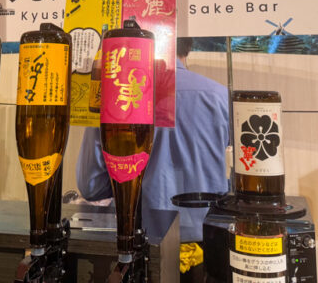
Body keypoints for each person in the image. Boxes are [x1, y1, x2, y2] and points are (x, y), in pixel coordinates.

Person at [76, 37, 229, 280]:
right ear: (188, 47)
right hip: (210, 246)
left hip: (138, 244)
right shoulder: (221, 96)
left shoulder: (113, 98)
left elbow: (91, 186)